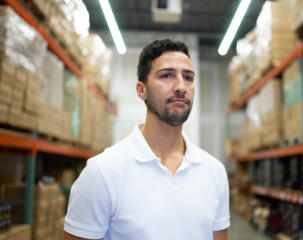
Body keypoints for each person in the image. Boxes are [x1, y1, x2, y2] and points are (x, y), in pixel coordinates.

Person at [64, 39, 230, 240]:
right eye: (167, 75)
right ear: (141, 90)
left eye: (188, 77)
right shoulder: (102, 173)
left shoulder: (214, 172)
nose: (181, 86)